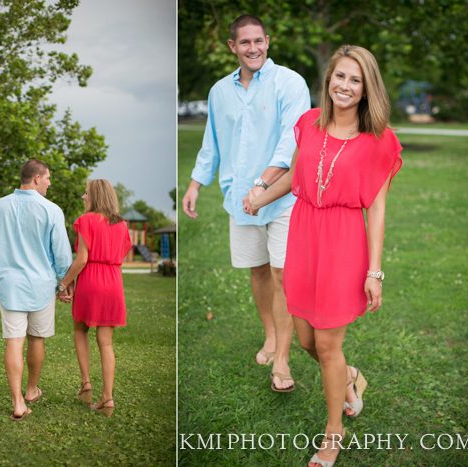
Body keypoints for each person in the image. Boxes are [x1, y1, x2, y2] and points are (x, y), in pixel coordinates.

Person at [246, 45, 403, 466]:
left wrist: (375, 272)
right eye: (340, 77)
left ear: (367, 88)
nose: (345, 86)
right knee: (304, 340)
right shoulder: (309, 125)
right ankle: (349, 379)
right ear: (328, 80)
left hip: (343, 243)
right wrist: (261, 197)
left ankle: (333, 432)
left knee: (329, 346)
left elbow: (379, 210)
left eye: (355, 80)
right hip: (304, 235)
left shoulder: (379, 142)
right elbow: (296, 177)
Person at [181, 14, 310, 391]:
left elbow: (293, 140)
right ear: (232, 47)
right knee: (257, 270)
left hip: (283, 196)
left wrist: (263, 183)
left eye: (259, 41)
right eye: (245, 42)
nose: (253, 48)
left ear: (267, 41)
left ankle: (282, 361)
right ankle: (270, 336)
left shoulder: (290, 83)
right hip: (240, 199)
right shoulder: (220, 91)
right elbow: (213, 142)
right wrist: (194, 184)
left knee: (283, 275)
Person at [0, 159, 72, 421]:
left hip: (9, 284)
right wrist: (64, 285)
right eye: (47, 178)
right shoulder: (51, 210)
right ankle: (31, 389)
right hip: (42, 286)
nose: (49, 183)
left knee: (13, 342)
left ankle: (18, 402)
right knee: (36, 339)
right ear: (36, 178)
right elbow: (62, 255)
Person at [57, 179, 132, 417]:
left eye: (86, 193)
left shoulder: (85, 221)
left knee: (80, 330)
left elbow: (81, 259)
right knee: (106, 343)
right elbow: (123, 252)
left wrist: (63, 284)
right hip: (113, 282)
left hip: (90, 280)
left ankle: (86, 382)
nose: (82, 197)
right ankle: (108, 398)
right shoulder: (122, 224)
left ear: (96, 196)